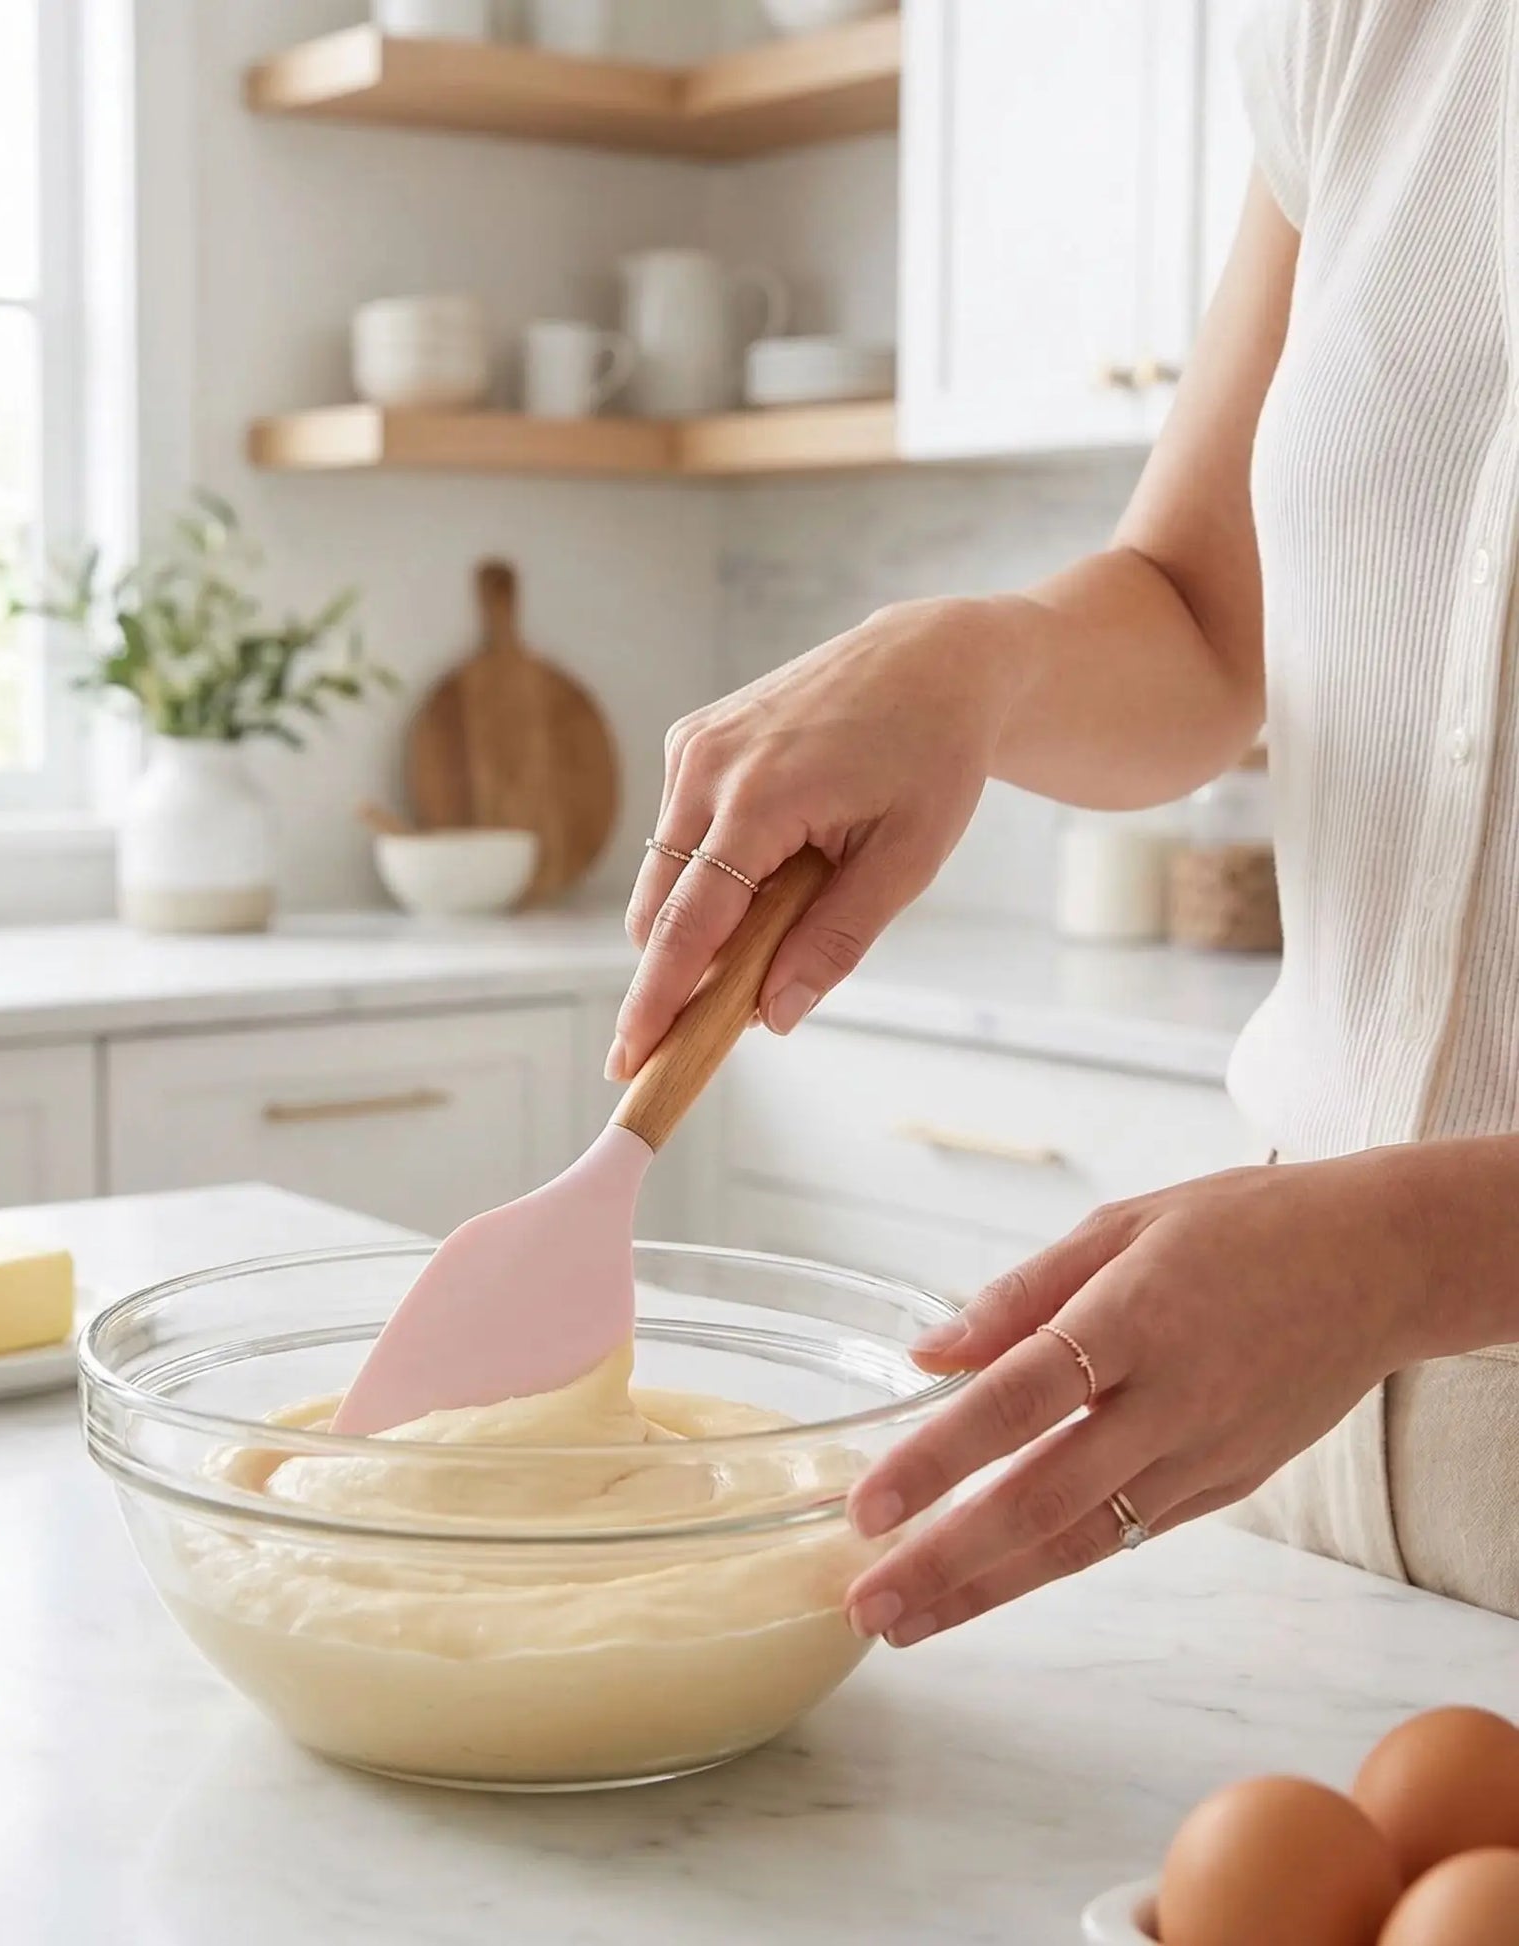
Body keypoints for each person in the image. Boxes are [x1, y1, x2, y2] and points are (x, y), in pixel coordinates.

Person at [607, 0, 1519, 1634]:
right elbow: (1195, 614)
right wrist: (974, 656)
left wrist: (1403, 1250)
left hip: (1338, 1303)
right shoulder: (1366, 29)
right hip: (1307, 1455)